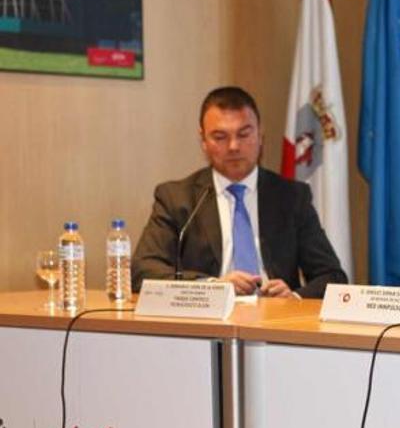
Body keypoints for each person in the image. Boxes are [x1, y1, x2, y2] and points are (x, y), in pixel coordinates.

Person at [132, 86, 346, 298]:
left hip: (275, 323)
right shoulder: (177, 198)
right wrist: (210, 286)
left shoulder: (291, 197)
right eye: (220, 137)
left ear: (260, 135)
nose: (234, 146)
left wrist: (294, 298)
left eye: (244, 134)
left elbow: (332, 276)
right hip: (207, 324)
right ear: (203, 141)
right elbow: (143, 271)